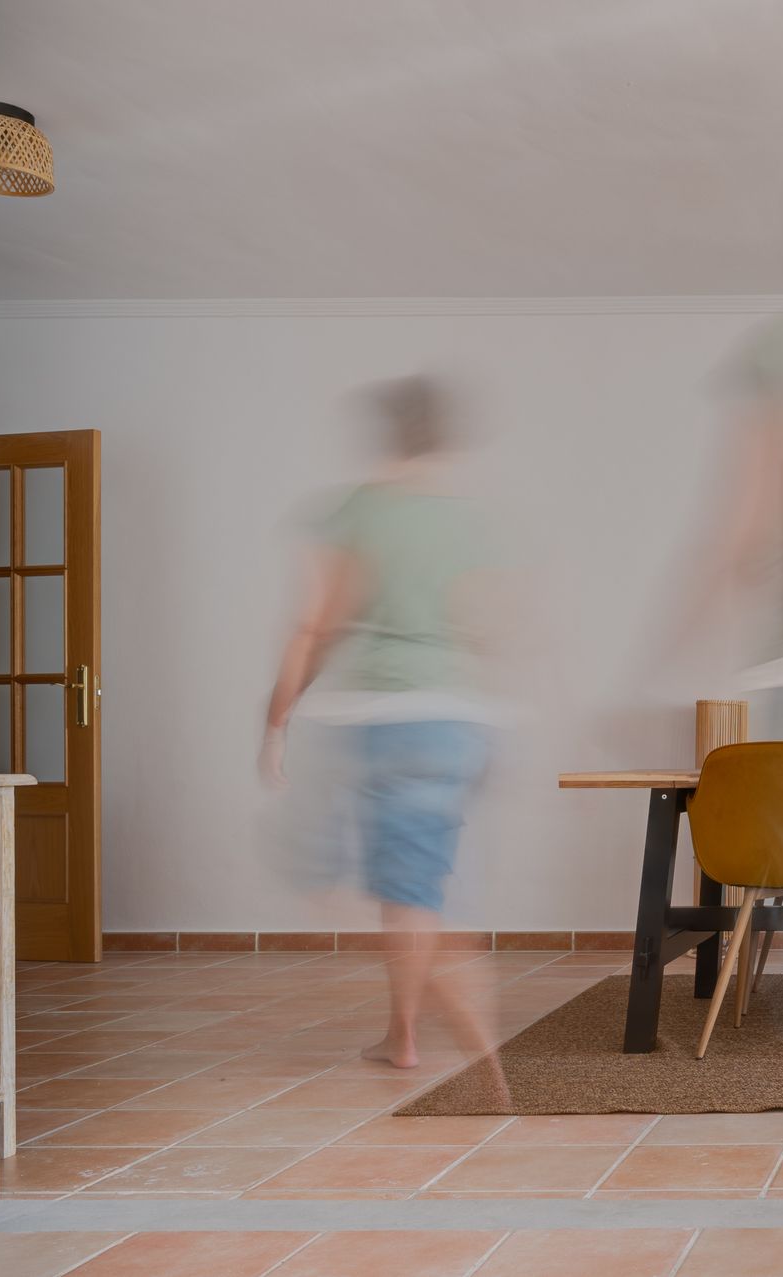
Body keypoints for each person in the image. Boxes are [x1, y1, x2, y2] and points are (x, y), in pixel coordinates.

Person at [260, 375, 497, 1074]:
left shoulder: (356, 511)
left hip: (388, 717)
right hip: (460, 718)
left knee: (399, 892)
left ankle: (437, 1039)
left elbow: (316, 624)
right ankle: (407, 1031)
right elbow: (490, 621)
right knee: (412, 887)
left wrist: (276, 721)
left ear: (387, 432)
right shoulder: (470, 518)